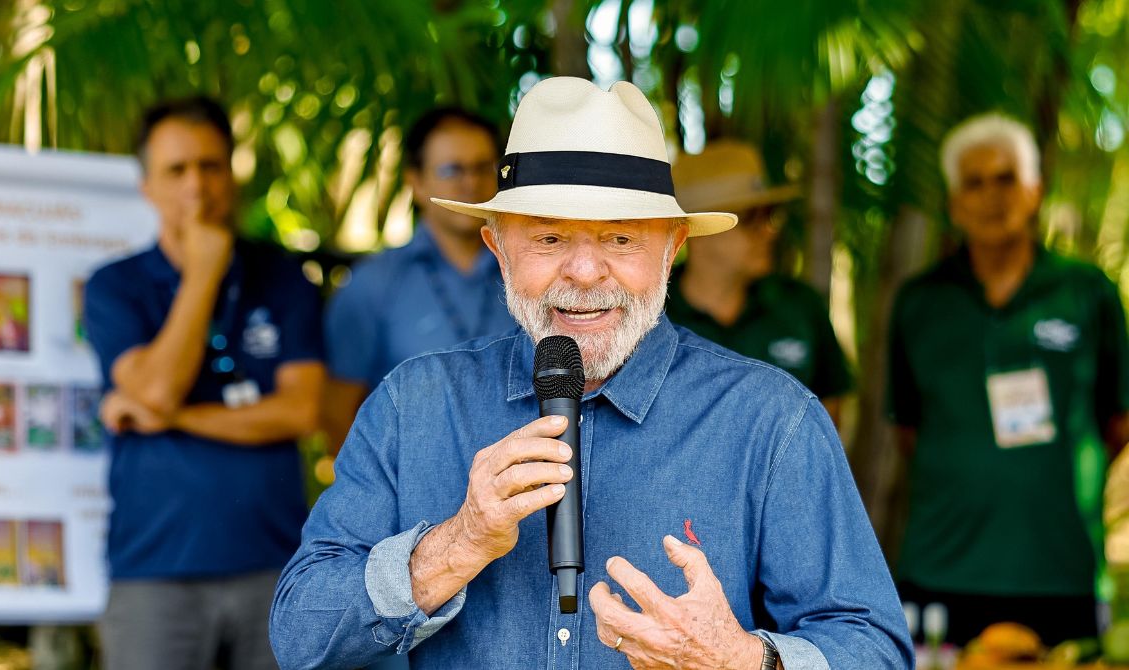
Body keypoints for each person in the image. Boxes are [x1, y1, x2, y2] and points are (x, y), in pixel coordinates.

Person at [270, 77, 913, 670]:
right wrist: (456, 544)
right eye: (549, 239)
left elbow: (877, 649)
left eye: (620, 239)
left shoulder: (772, 420)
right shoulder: (415, 404)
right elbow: (299, 635)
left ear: (672, 248)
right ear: (498, 248)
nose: (583, 273)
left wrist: (746, 661)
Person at [84, 96, 326, 670]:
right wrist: (203, 271)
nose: (196, 184)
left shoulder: (283, 276)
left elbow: (299, 412)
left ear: (232, 172)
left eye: (211, 165)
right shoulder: (115, 286)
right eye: (176, 169)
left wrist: (173, 418)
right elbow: (157, 387)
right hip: (155, 572)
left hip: (275, 566)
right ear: (146, 185)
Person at [888, 112, 1129, 646]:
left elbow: (1118, 421)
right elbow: (909, 429)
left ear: (1036, 190)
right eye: (974, 183)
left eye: (1006, 179)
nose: (992, 197)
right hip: (941, 569)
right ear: (953, 204)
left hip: (1059, 573)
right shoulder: (919, 303)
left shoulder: (1087, 292)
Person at [322, 107, 517, 446]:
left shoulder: (531, 272)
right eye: (451, 169)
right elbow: (336, 413)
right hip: (413, 494)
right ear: (415, 181)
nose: (470, 182)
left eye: (483, 167)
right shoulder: (373, 284)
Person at [668, 141, 852, 427]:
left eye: (770, 214)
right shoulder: (650, 317)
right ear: (698, 230)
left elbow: (828, 422)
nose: (770, 230)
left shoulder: (801, 307)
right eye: (752, 217)